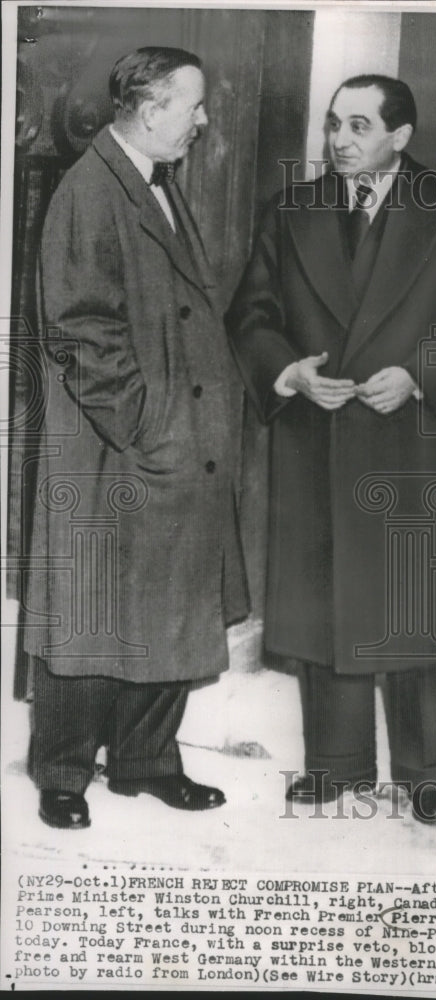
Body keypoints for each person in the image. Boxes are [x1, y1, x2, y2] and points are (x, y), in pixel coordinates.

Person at [225, 75, 436, 824]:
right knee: (326, 605)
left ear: (400, 136)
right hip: (318, 437)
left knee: (410, 610)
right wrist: (287, 370)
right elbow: (251, 314)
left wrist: (419, 376)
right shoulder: (291, 211)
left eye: (357, 125)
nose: (338, 140)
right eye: (332, 125)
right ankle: (336, 765)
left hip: (415, 441)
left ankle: (425, 775)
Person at [26, 47, 249, 829]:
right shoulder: (90, 188)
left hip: (175, 441)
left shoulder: (155, 180)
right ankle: (61, 772)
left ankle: (146, 761)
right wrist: (147, 427)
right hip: (119, 446)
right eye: (192, 106)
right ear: (151, 109)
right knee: (90, 615)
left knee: (170, 605)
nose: (202, 120)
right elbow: (80, 329)